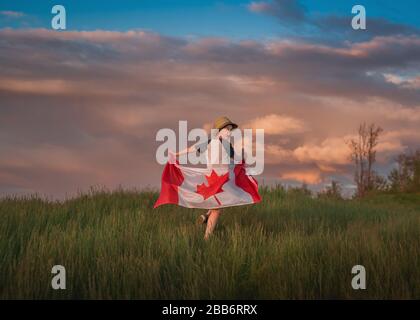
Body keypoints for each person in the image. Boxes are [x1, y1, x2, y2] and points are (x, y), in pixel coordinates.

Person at [171, 116, 239, 240]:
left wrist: (176, 154)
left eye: (230, 129)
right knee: (218, 210)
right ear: (219, 130)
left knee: (219, 205)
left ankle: (206, 216)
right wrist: (176, 154)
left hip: (221, 179)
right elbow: (191, 149)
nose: (229, 132)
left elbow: (191, 149)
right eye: (227, 129)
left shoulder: (215, 142)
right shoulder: (220, 143)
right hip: (217, 178)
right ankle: (206, 239)